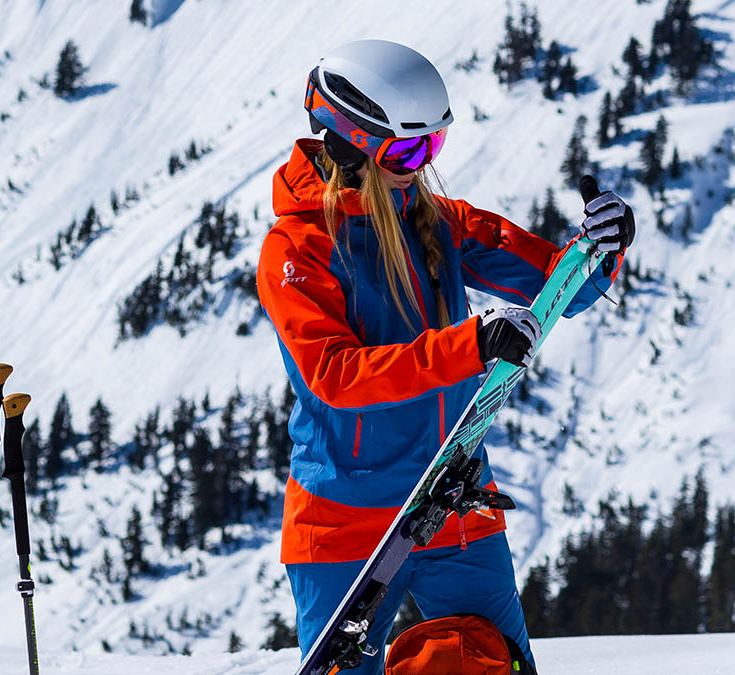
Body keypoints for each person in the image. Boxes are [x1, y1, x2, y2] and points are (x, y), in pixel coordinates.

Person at [256, 39, 635, 674]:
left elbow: (561, 289)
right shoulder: (297, 250)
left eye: (434, 144)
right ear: (349, 143)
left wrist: (601, 246)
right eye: (408, 149)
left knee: (498, 666)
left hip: (451, 498)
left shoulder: (440, 221)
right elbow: (336, 379)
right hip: (345, 524)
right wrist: (472, 344)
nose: (422, 164)